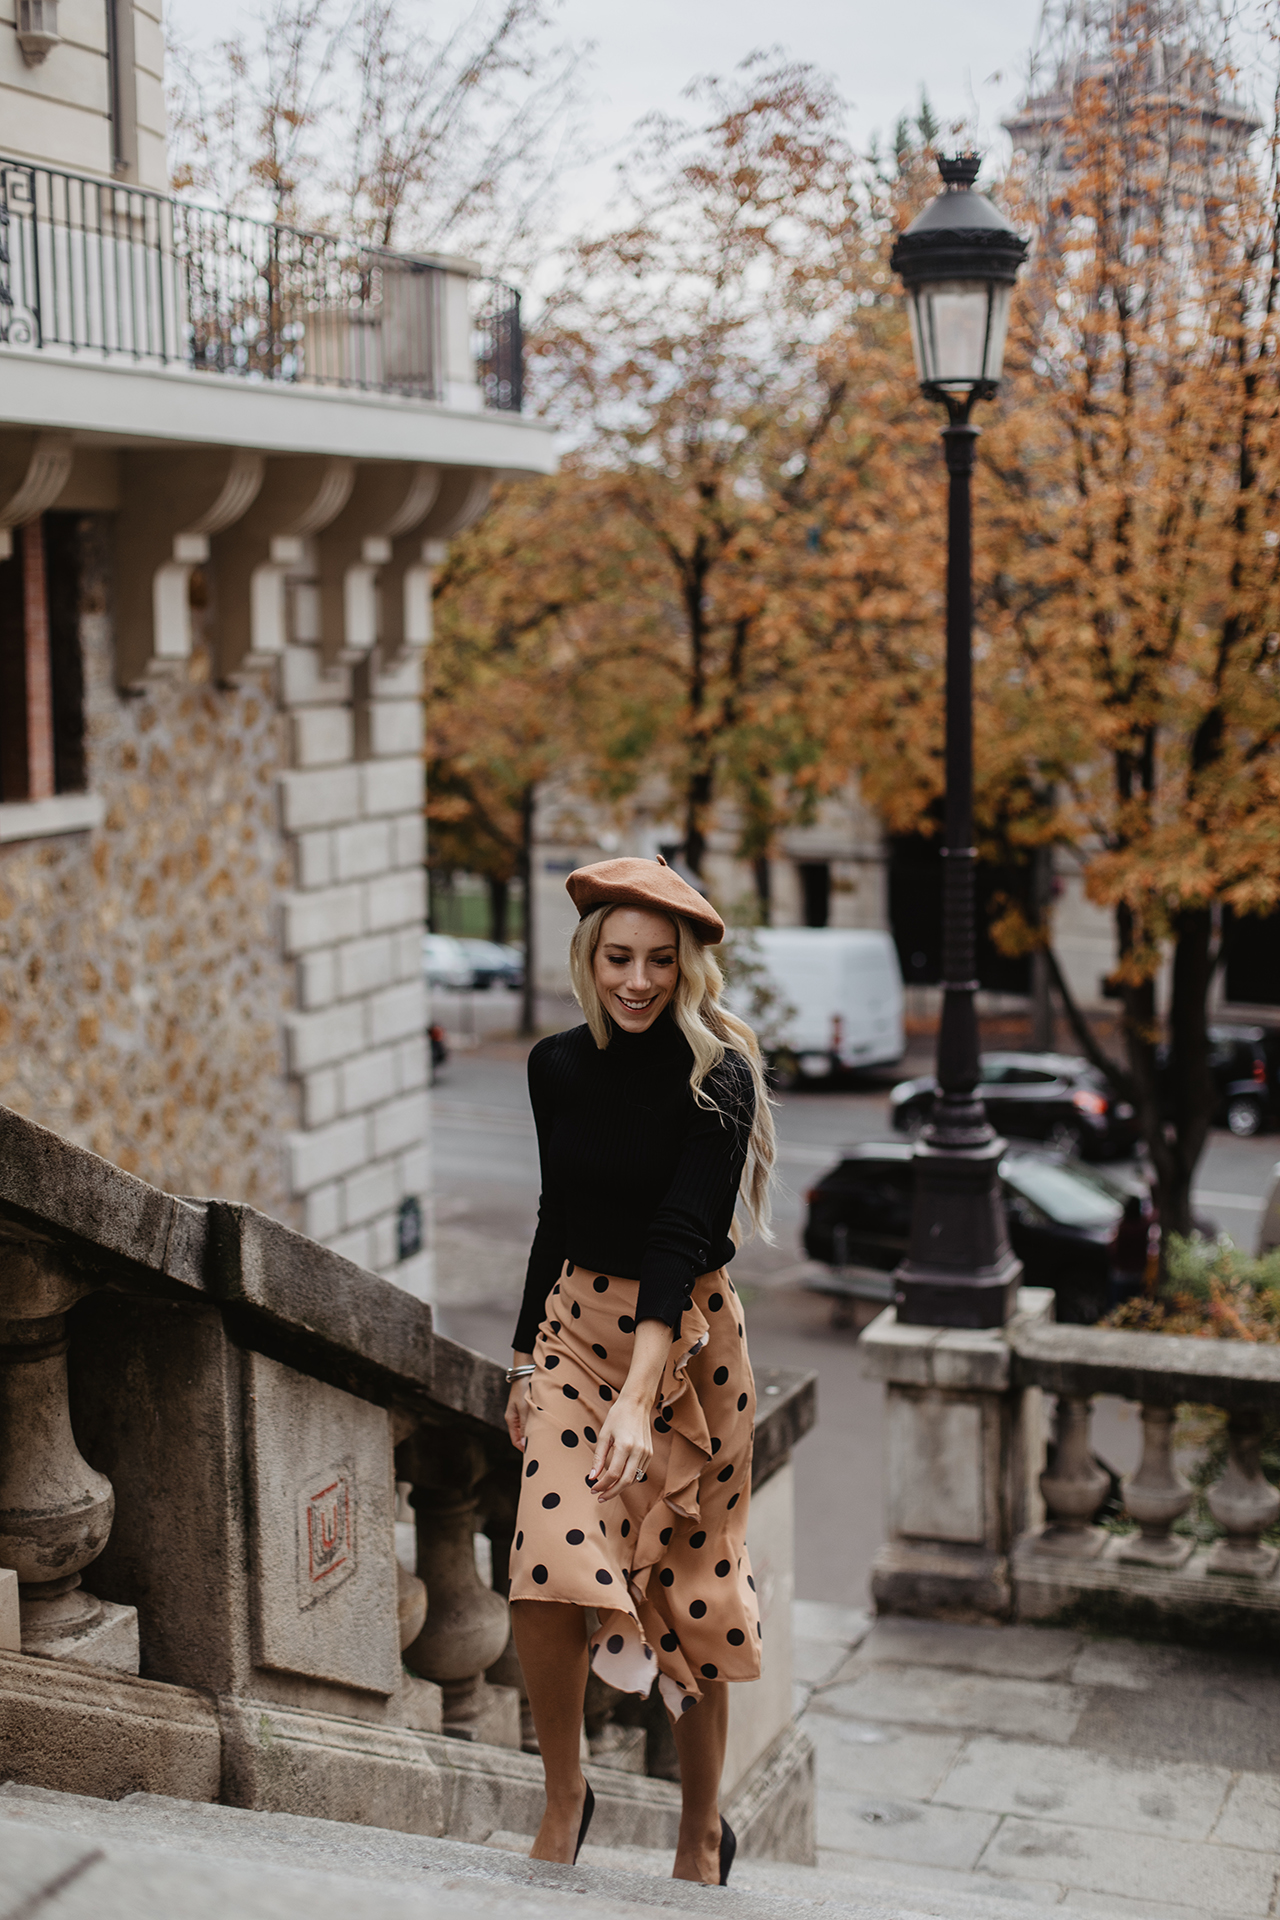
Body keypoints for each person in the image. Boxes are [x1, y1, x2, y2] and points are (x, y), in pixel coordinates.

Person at [502, 855, 776, 1887]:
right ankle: (565, 1797)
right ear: (587, 956)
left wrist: (636, 1396)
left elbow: (678, 1233)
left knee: (689, 1596)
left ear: (686, 965)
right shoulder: (554, 1067)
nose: (636, 979)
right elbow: (553, 1216)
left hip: (692, 1354)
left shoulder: (720, 1073)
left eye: (659, 960)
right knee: (543, 1570)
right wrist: (524, 1356)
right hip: (575, 1335)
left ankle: (700, 1832)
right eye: (617, 956)